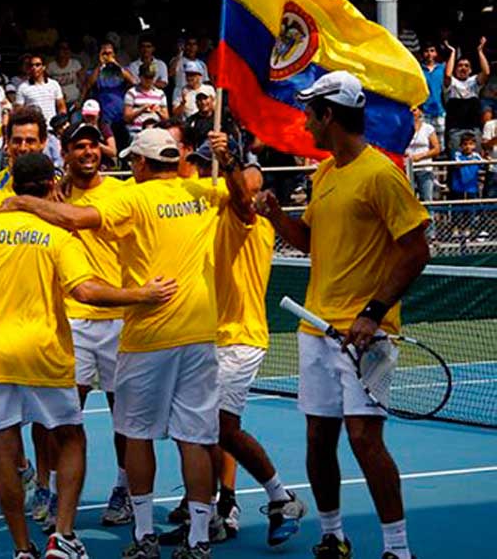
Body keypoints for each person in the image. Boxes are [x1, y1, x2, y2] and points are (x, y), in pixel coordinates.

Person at [4, 126, 251, 559]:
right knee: (194, 438)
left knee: (136, 435)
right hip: (199, 332)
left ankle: (144, 536)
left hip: (148, 331)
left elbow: (74, 218)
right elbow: (243, 195)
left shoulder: (132, 197)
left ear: (140, 162)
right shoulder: (200, 192)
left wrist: (23, 201)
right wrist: (228, 161)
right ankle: (198, 541)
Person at [0, 151, 177, 559]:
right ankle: (63, 535)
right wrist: (140, 296)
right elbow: (86, 292)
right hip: (45, 355)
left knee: (4, 448)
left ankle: (22, 548)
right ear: (51, 187)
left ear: (13, 187)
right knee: (71, 437)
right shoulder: (60, 237)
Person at [255, 71, 430, 559]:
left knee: (364, 440)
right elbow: (312, 243)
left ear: (328, 115)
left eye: (310, 111)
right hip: (316, 328)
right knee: (318, 439)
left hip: (366, 337)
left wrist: (373, 313)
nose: (305, 120)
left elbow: (416, 250)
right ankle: (332, 535)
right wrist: (276, 218)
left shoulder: (380, 174)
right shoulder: (325, 174)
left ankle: (398, 547)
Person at [162, 141, 307, 548]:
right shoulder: (208, 215)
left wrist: (227, 162)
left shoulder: (248, 217)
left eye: (218, 170)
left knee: (221, 427)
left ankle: (280, 497)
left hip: (239, 338)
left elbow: (242, 199)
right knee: (196, 431)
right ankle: (208, 515)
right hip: (203, 336)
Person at [58, 122, 134, 526]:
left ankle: (123, 485)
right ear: (66, 152)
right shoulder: (54, 197)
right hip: (72, 319)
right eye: (79, 146)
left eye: (93, 145)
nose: (88, 152)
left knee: (124, 416)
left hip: (120, 319)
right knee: (67, 415)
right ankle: (61, 494)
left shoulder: (123, 193)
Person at [0, 106, 49, 214]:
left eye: (30, 141)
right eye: (17, 141)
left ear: (43, 143)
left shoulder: (60, 186)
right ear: (7, 142)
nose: (23, 148)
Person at [81, 42, 135, 151]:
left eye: (110, 53)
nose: (107, 56)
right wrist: (100, 65)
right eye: (104, 53)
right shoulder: (94, 71)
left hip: (120, 113)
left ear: (114, 54)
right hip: (105, 115)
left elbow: (133, 81)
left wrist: (115, 63)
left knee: (124, 142)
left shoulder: (120, 70)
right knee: (109, 142)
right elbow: (89, 84)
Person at [443, 37, 489, 153]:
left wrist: (480, 51)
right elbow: (448, 75)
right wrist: (453, 52)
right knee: (456, 162)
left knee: (475, 162)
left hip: (474, 129)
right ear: (455, 69)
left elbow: (486, 72)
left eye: (466, 66)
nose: (463, 68)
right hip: (455, 130)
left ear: (470, 70)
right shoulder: (452, 83)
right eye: (460, 65)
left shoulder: (474, 82)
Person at [16, 54, 66, 127]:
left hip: (51, 128)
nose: (34, 68)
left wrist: (61, 123)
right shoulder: (22, 87)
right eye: (31, 65)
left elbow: (61, 106)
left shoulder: (54, 84)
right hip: (33, 128)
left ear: (44, 67)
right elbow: (18, 111)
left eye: (37, 65)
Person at [123, 63, 169, 139]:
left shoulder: (160, 94)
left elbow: (166, 118)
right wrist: (142, 109)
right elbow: (127, 118)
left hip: (155, 131)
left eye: (151, 78)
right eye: (146, 77)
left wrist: (158, 111)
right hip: (137, 132)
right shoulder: (131, 93)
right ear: (140, 77)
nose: (149, 80)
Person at [405, 107, 441, 202]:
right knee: (409, 200)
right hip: (408, 168)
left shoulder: (428, 128)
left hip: (424, 168)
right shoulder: (402, 128)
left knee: (427, 199)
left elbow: (436, 149)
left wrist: (421, 156)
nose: (412, 113)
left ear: (420, 111)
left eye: (415, 110)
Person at [419, 43, 446, 137]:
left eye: (432, 51)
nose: (429, 54)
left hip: (440, 110)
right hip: (424, 111)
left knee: (440, 141)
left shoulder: (442, 68)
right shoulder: (419, 69)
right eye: (426, 51)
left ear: (436, 53)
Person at [80, 99, 118, 165]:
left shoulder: (104, 128)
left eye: (92, 116)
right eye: (87, 116)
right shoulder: (78, 128)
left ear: (98, 115)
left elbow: (113, 152)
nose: (89, 119)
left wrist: (97, 144)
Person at [48, 41, 84, 107]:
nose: (65, 51)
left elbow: (83, 83)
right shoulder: (51, 66)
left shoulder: (75, 64)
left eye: (67, 48)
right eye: (62, 48)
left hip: (74, 101)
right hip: (58, 102)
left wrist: (80, 100)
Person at [450, 132, 484, 200]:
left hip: (472, 187)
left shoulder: (477, 156)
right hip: (459, 187)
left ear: (474, 145)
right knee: (458, 208)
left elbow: (483, 165)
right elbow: (458, 164)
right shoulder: (457, 155)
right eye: (465, 144)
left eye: (471, 144)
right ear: (460, 145)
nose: (468, 146)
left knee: (472, 208)